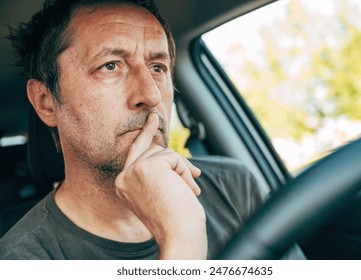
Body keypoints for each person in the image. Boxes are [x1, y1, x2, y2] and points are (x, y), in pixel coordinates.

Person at [0, 0, 304, 260]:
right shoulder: (22, 258)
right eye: (110, 66)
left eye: (158, 67)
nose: (151, 95)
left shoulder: (234, 185)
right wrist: (182, 238)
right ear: (46, 102)